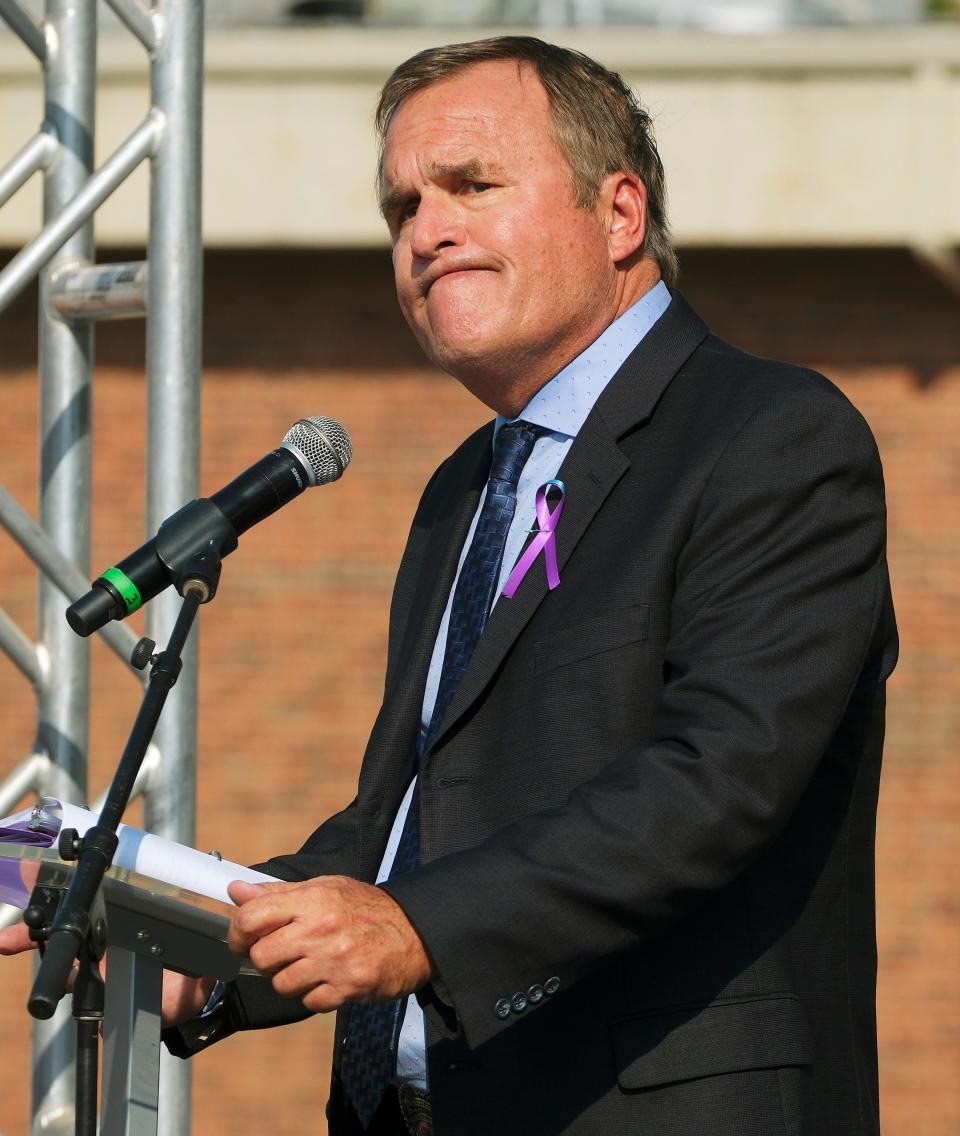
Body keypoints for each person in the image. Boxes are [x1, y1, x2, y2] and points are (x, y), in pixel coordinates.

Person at [4, 36, 898, 1136]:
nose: (426, 230)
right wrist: (196, 939)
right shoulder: (463, 488)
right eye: (400, 208)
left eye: (471, 184)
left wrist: (417, 925)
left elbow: (719, 778)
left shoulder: (771, 435)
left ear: (620, 214)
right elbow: (399, 836)